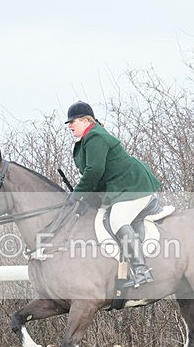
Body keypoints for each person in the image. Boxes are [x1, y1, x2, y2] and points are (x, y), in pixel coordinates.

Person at [64, 101, 162, 287]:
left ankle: (142, 271)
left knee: (117, 220)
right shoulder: (88, 139)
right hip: (120, 188)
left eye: (73, 121)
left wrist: (78, 195)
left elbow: (94, 171)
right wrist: (87, 198)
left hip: (133, 185)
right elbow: (97, 176)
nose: (70, 125)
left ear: (85, 121)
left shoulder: (95, 137)